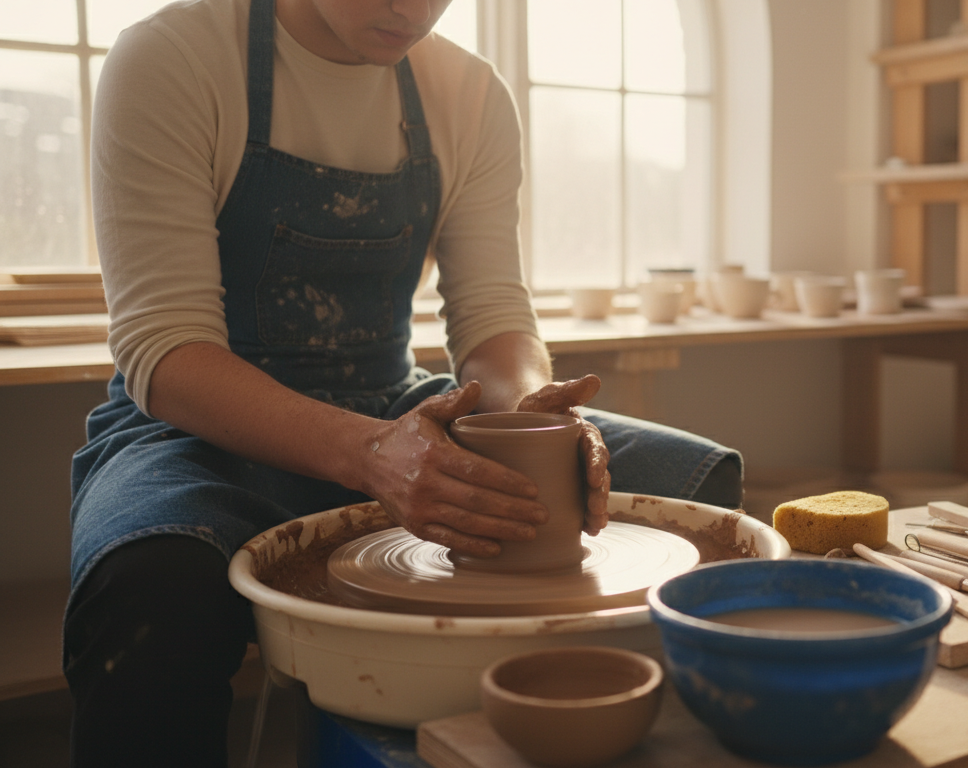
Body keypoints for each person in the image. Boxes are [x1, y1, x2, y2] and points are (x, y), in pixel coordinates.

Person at [63, 0, 743, 764]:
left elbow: (491, 319)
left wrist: (528, 422)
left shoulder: (469, 92)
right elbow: (169, 352)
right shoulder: (175, 58)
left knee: (696, 497)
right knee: (153, 586)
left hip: (396, 406)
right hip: (200, 427)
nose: (411, 7)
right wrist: (370, 454)